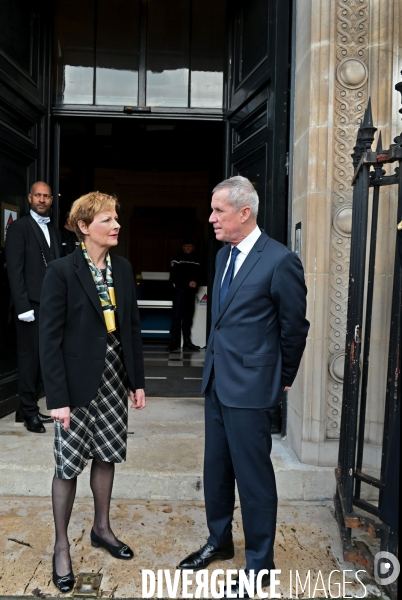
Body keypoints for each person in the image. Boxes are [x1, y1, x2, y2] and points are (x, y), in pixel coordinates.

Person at [178, 176, 310, 598]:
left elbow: (294, 329)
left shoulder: (280, 261)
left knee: (253, 480)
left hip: (252, 388)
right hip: (216, 383)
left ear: (244, 212)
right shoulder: (221, 258)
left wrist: (282, 377)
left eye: (218, 210)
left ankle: (260, 565)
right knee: (215, 471)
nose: (211, 218)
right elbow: (220, 322)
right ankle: (219, 541)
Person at [39, 191, 146, 593]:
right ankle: (61, 545)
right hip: (75, 385)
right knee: (67, 466)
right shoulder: (62, 272)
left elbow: (131, 328)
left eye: (116, 217)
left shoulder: (122, 268)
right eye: (106, 219)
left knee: (106, 456)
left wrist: (136, 382)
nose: (116, 224)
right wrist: (57, 399)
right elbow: (48, 340)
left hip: (114, 380)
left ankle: (102, 528)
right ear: (84, 227)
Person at [6, 181, 62, 433]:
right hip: (30, 306)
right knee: (30, 360)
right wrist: (22, 306)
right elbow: (14, 270)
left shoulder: (55, 229)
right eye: (37, 195)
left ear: (52, 200)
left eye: (46, 196)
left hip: (51, 304)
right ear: (29, 198)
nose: (42, 199)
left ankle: (24, 408)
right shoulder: (18, 228)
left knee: (45, 358)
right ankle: (29, 411)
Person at [168, 240, 201, 352]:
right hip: (179, 291)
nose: (188, 248)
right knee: (176, 318)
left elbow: (201, 273)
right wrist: (188, 282)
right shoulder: (177, 258)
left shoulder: (197, 259)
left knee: (188, 318)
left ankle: (187, 342)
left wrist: (196, 282)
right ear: (183, 247)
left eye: (190, 246)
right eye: (186, 246)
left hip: (191, 293)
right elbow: (174, 275)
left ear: (193, 247)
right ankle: (174, 342)